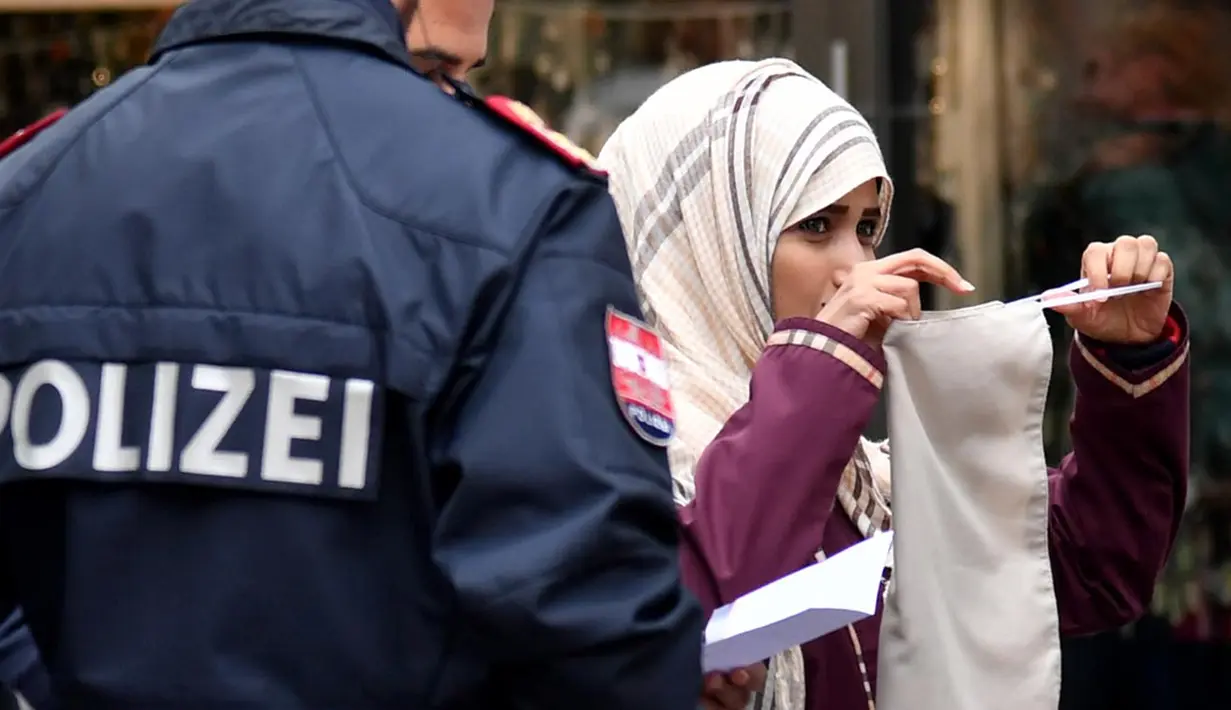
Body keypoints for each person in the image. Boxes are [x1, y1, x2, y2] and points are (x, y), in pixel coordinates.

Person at [0, 0, 712, 707]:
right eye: (432, 71)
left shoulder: (29, 194)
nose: (442, 101)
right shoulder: (513, 204)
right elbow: (599, 641)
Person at [598, 58, 1189, 710]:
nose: (855, 266)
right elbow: (684, 605)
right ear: (709, 240)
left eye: (867, 229)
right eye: (816, 226)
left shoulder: (861, 487)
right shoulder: (609, 471)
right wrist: (820, 370)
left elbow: (1089, 568)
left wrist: (1127, 356)